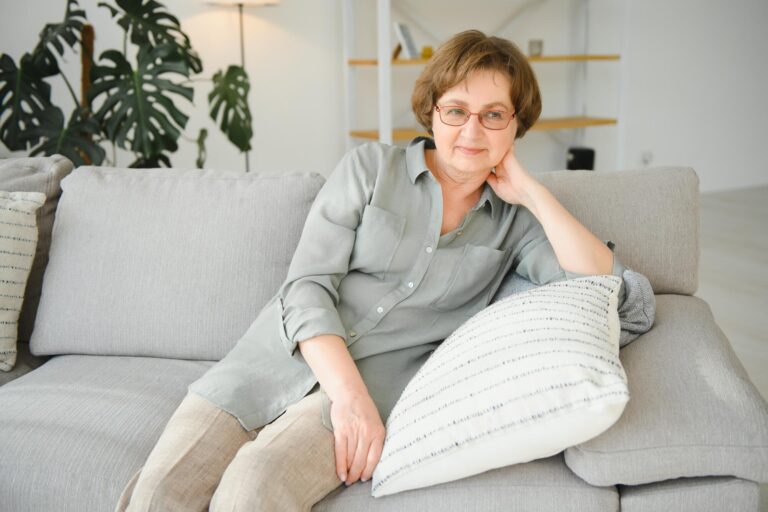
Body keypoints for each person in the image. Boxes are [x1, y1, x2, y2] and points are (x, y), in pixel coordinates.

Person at [117, 29, 639, 511]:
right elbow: (305, 287)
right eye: (456, 110)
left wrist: (535, 193)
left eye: (494, 115)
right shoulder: (370, 169)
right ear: (432, 113)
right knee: (159, 491)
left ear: (516, 124)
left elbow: (612, 290)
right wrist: (348, 398)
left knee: (251, 489)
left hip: (374, 396)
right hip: (270, 367)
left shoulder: (517, 226)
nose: (472, 131)